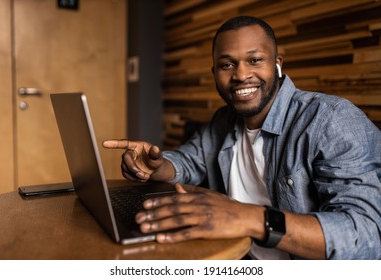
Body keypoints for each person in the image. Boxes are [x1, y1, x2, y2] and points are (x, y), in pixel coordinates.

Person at [103, 16, 381, 260]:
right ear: (215, 74)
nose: (241, 75)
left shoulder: (330, 119)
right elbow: (189, 161)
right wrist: (157, 165)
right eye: (227, 65)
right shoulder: (224, 120)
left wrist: (250, 218)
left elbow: (366, 234)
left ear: (277, 64)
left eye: (255, 60)